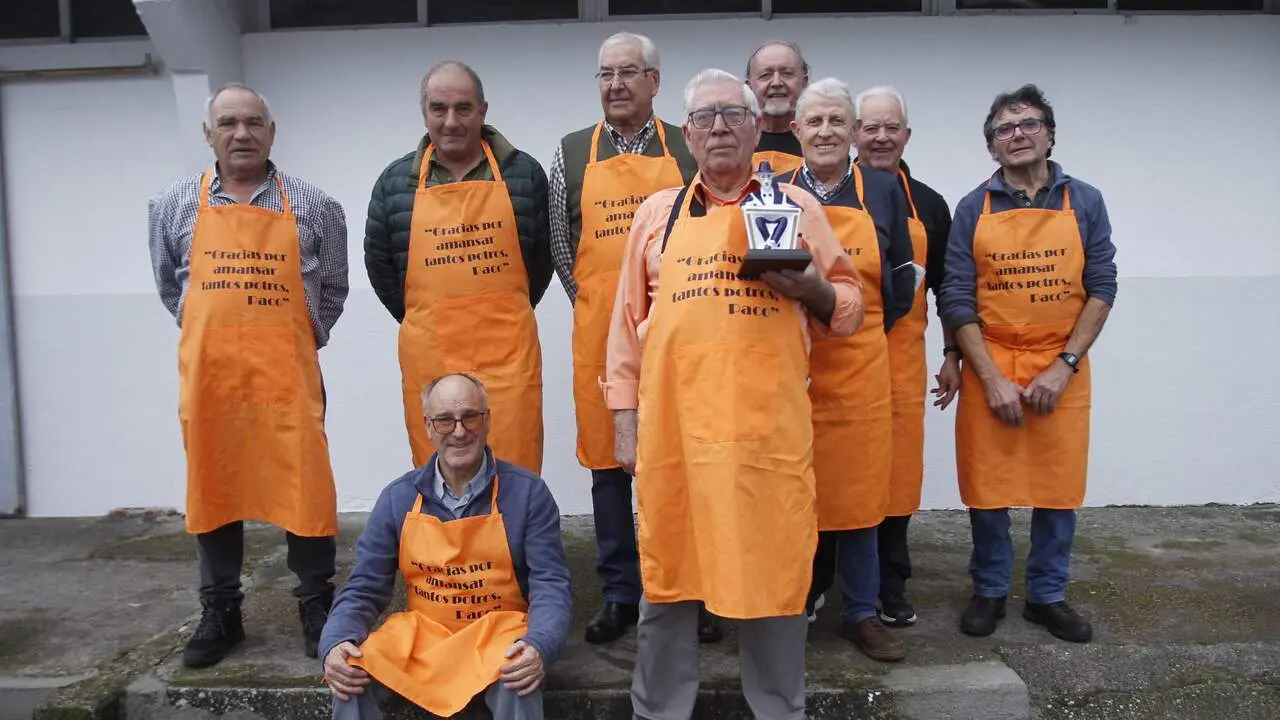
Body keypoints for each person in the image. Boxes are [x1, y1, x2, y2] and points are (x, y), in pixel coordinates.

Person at [605, 68, 864, 720]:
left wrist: (810, 288)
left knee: (776, 576)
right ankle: (659, 710)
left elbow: (850, 307)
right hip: (677, 438)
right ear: (688, 134)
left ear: (756, 129)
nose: (718, 127)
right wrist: (625, 423)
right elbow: (626, 330)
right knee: (668, 577)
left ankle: (778, 709)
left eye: (732, 115)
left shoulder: (795, 206)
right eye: (704, 117)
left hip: (766, 438)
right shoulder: (658, 215)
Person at [147, 83, 349, 668]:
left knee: (306, 483)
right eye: (228, 123)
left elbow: (333, 288)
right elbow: (171, 287)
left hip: (287, 378)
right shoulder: (172, 204)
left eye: (254, 122)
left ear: (271, 131)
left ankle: (316, 603)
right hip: (212, 380)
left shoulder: (315, 205)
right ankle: (220, 610)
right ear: (208, 134)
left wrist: (300, 337)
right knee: (214, 483)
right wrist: (214, 333)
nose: (242, 134)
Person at [939, 84, 1118, 643]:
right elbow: (956, 296)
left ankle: (1047, 595)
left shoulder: (1084, 201)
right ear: (991, 147)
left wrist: (1064, 365)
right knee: (987, 490)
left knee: (1057, 487)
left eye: (1029, 123)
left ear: (1050, 135)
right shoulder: (972, 208)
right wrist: (989, 378)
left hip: (1061, 363)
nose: (1017, 134)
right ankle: (990, 590)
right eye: (1004, 129)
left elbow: (1103, 285)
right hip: (991, 360)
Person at [548, 32, 698, 647]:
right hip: (599, 336)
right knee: (609, 467)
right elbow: (561, 246)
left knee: (681, 465)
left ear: (654, 81)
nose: (615, 85)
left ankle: (688, 590)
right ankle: (619, 593)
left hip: (679, 336)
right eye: (605, 74)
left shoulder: (686, 147)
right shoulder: (570, 152)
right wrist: (598, 306)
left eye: (628, 72)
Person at [320, 373, 572, 720]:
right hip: (422, 638)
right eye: (444, 420)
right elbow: (364, 587)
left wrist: (540, 644)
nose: (459, 431)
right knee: (351, 673)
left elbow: (551, 583)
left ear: (487, 421)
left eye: (470, 416)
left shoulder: (528, 493)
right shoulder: (398, 498)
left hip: (498, 636)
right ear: (428, 426)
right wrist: (335, 641)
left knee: (519, 677)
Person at [779, 78, 915, 663]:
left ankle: (861, 612)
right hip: (793, 370)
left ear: (854, 132)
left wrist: (854, 330)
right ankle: (795, 601)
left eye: (838, 121)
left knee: (860, 499)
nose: (826, 132)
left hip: (861, 370)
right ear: (797, 131)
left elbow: (902, 286)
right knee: (796, 494)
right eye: (815, 122)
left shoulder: (881, 189)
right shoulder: (776, 191)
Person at [364, 60, 553, 475]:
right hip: (430, 358)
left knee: (514, 475)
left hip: (509, 361)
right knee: (442, 476)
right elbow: (380, 266)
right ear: (424, 113)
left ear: (483, 111)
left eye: (463, 108)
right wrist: (426, 317)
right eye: (439, 108)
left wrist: (503, 310)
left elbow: (542, 260)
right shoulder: (395, 184)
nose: (451, 121)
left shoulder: (524, 175)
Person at [852, 85, 958, 628]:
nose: (880, 137)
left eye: (890, 127)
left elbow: (948, 288)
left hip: (901, 362)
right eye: (870, 127)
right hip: (839, 361)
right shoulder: (829, 194)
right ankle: (829, 580)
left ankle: (891, 580)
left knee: (897, 473)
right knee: (842, 470)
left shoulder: (931, 205)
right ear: (854, 134)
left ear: (907, 135)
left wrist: (952, 353)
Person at [745, 40, 809, 174]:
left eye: (787, 73)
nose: (776, 83)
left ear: (804, 82)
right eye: (765, 75)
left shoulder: (818, 140)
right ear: (749, 87)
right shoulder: (735, 143)